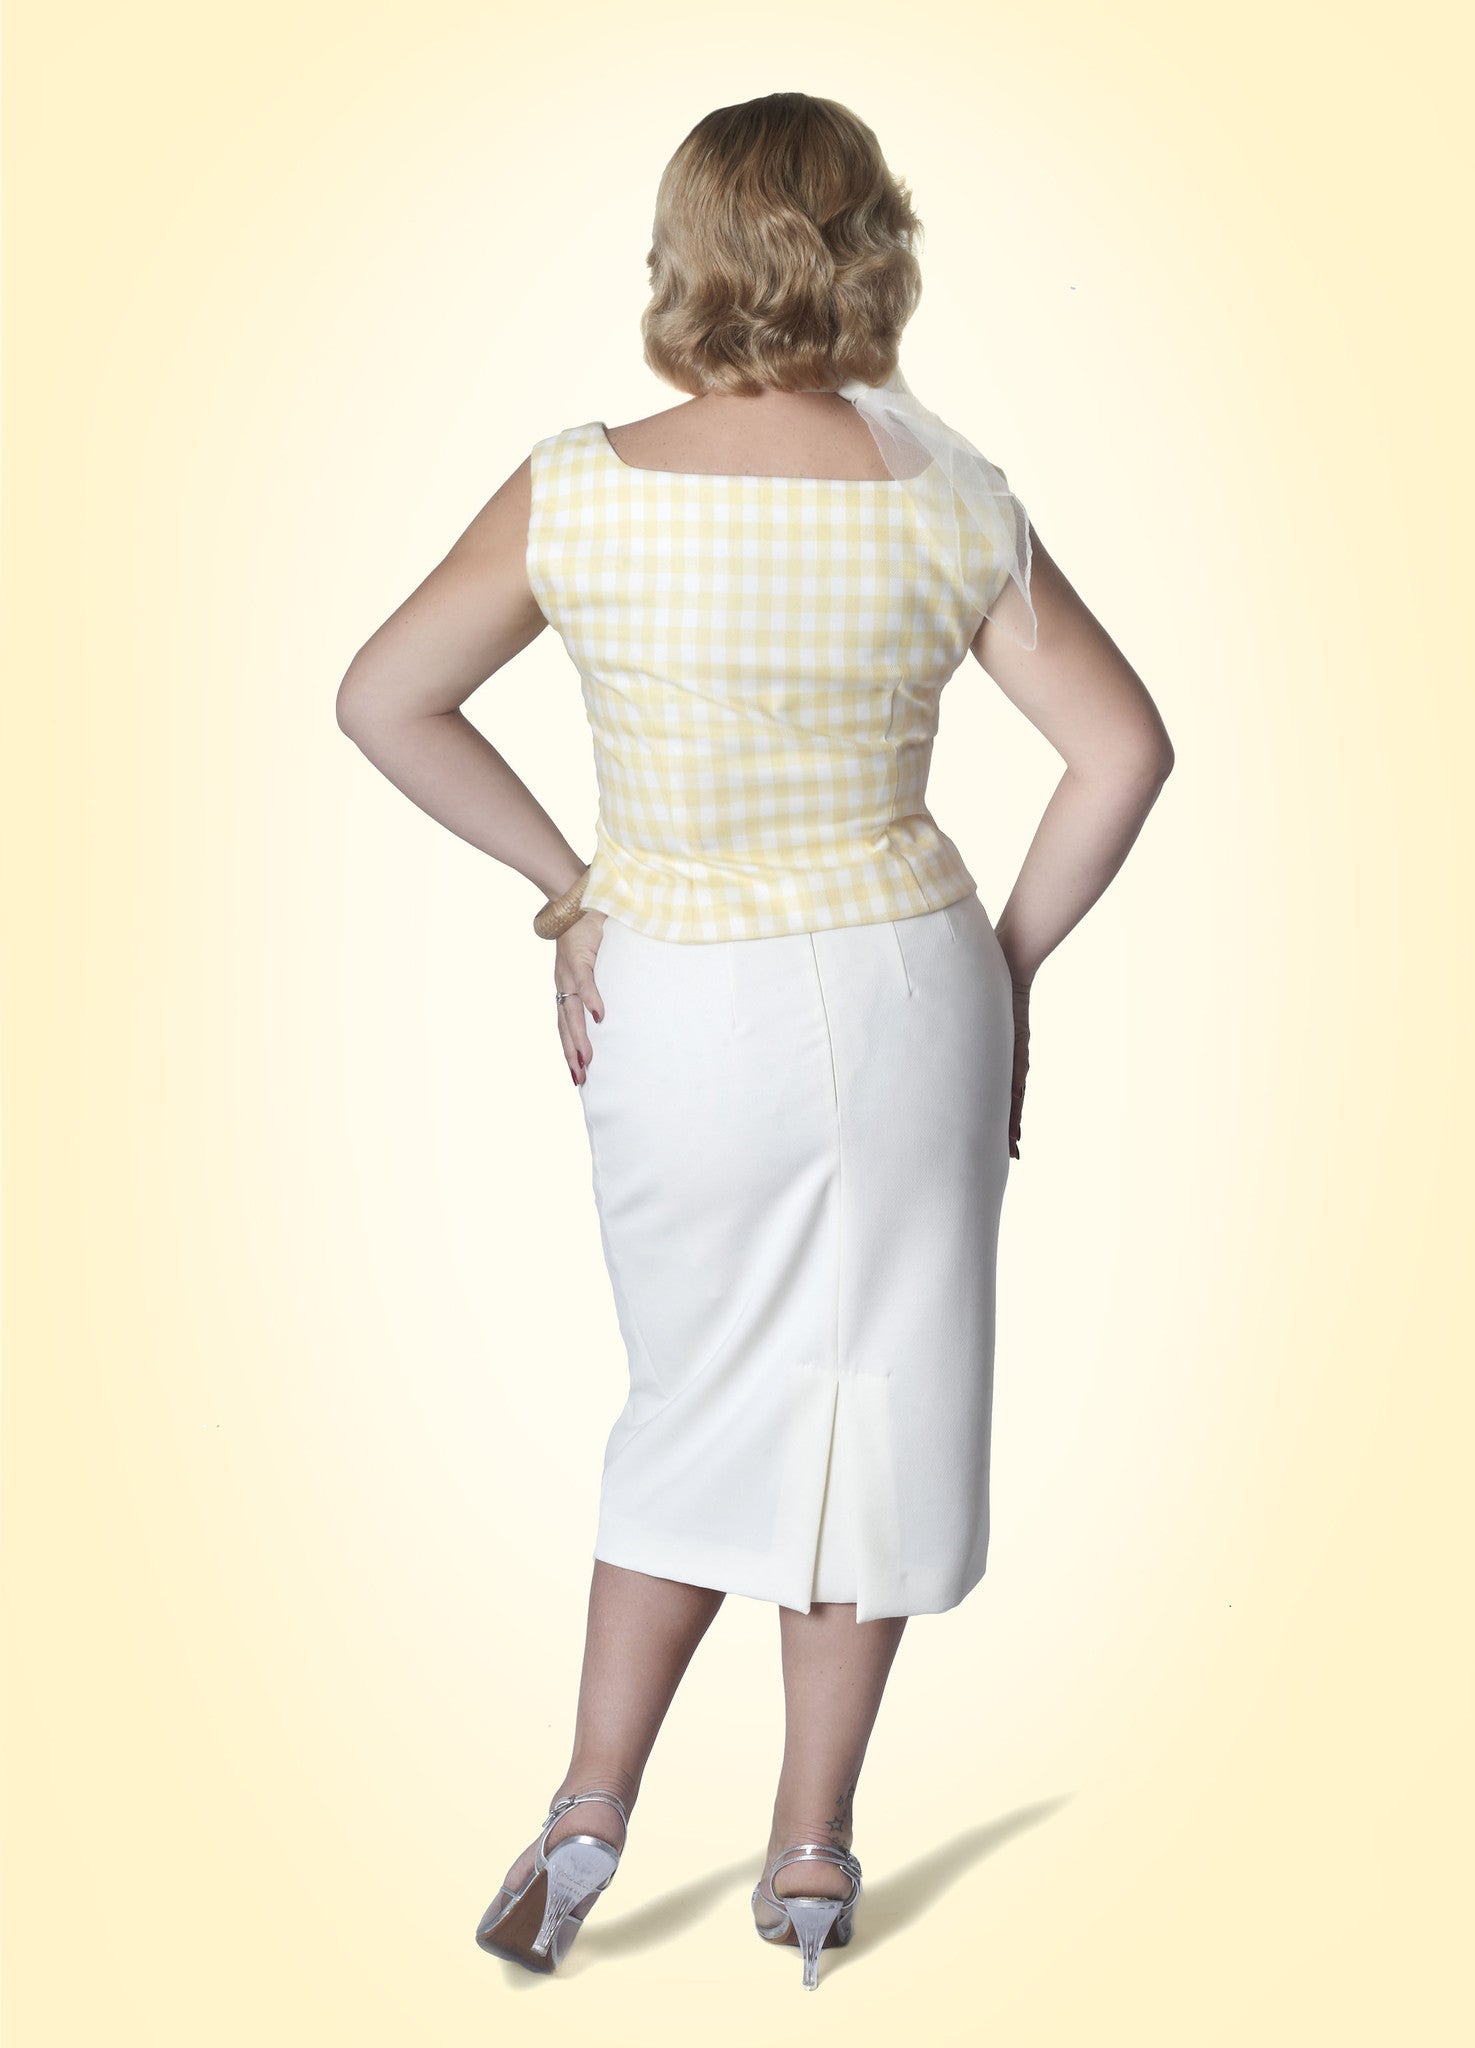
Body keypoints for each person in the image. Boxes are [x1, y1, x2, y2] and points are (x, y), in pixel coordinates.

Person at [335, 91, 1174, 1990]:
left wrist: (570, 885)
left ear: (683, 251)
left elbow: (385, 698)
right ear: (878, 245)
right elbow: (1123, 752)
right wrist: (1009, 970)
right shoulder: (947, 491)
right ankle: (809, 1853)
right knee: (876, 1403)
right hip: (907, 984)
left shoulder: (581, 487)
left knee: (695, 1392)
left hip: (683, 992)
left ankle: (586, 1812)